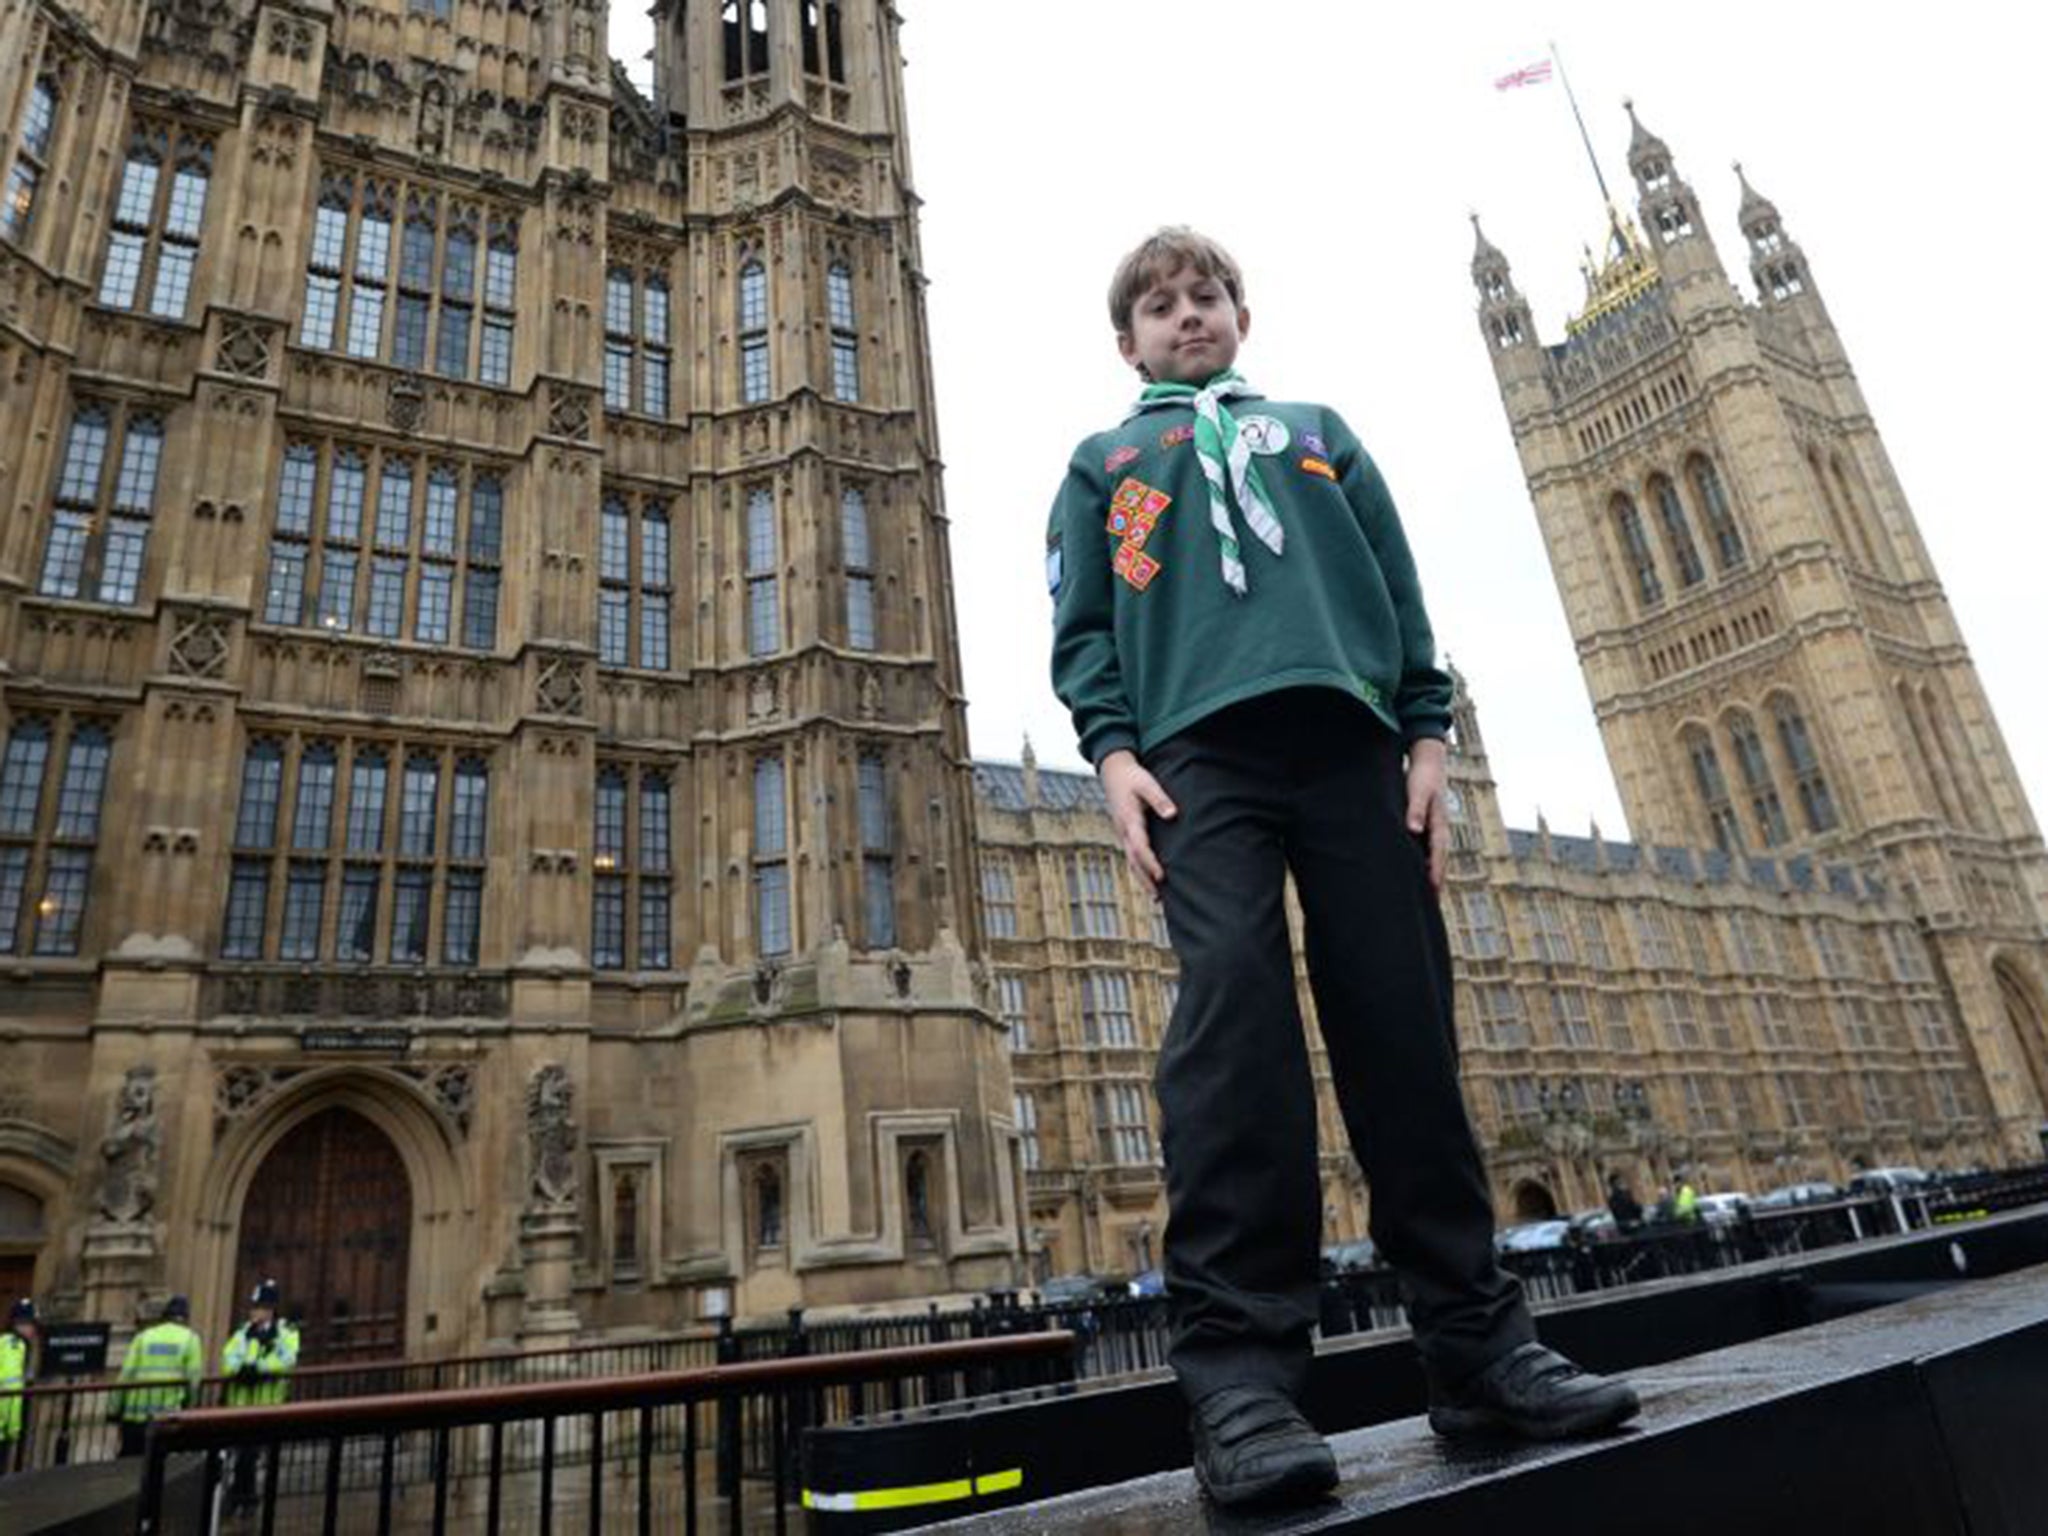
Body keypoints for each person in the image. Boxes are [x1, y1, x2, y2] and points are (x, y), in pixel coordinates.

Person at [1046, 227, 1639, 1508]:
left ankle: (1477, 1347)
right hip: (1196, 760)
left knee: (1403, 1029)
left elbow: (1398, 588)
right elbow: (1081, 623)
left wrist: (1426, 729)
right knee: (1233, 1026)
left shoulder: (1317, 432)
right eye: (1160, 306)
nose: (1187, 316)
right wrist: (1108, 755)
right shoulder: (1104, 464)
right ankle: (1240, 1382)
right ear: (1126, 341)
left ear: (1239, 317)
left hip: (1355, 748)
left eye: (1207, 296)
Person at [220, 1279, 299, 1511]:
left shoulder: (285, 1332)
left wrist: (260, 1368)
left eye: (260, 1307)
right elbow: (228, 1358)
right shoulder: (243, 1332)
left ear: (271, 1309)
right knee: (244, 1454)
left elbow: (288, 1358)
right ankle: (243, 1497)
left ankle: (243, 1498)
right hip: (241, 1404)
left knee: (250, 1453)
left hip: (268, 1403)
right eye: (254, 1306)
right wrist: (241, 1369)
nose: (255, 1311)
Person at [113, 1294, 203, 1457]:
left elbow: (125, 1375)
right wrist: (191, 1408)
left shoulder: (143, 1337)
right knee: (159, 1469)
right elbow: (194, 1380)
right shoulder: (190, 1339)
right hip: (166, 1418)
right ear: (186, 1318)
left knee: (128, 1468)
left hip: (134, 1417)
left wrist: (114, 1409)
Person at [1, 1298, 36, 1473]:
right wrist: (14, 1428)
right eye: (31, 1324)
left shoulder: (4, 1341)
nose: (33, 1330)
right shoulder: (15, 1346)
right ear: (20, 1324)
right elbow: (12, 1389)